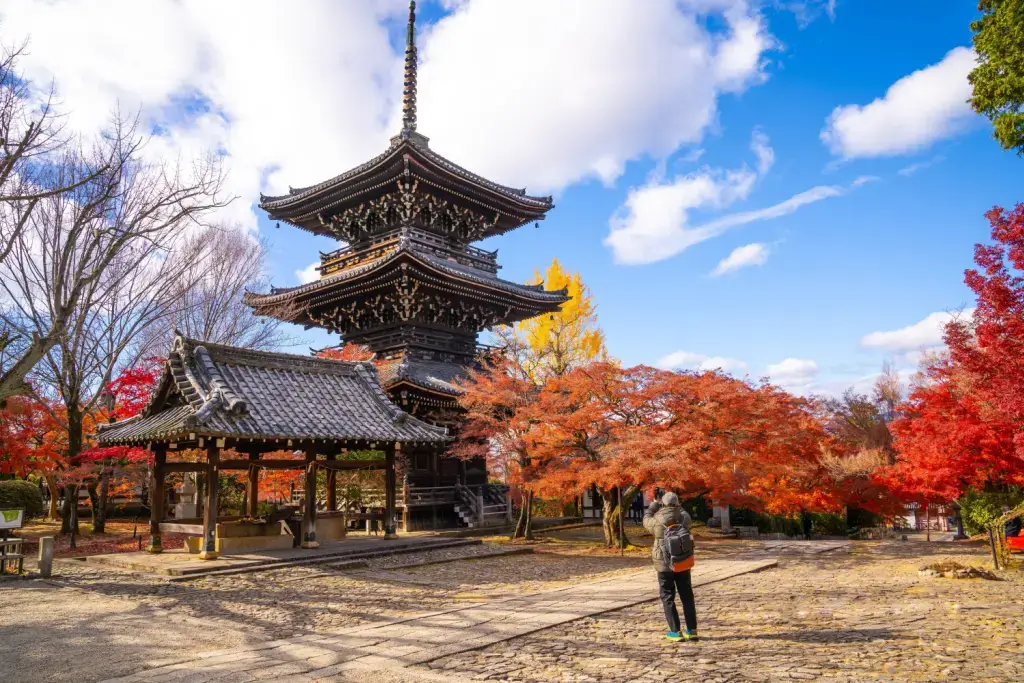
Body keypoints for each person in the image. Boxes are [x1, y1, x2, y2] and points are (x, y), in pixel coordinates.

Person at [644, 492, 697, 642]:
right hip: (682, 561)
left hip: (663, 563)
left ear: (663, 504)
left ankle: (675, 631)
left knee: (668, 596)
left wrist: (654, 504)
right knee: (687, 595)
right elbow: (683, 512)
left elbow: (646, 518)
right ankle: (692, 630)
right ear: (677, 503)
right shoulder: (684, 518)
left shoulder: (656, 520)